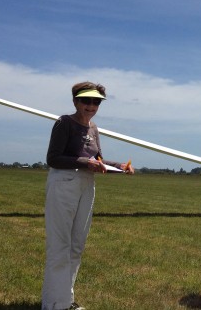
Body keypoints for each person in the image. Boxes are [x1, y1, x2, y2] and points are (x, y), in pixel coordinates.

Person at [41, 81, 134, 310]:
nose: (91, 105)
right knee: (60, 244)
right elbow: (53, 158)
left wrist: (119, 166)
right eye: (86, 100)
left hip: (86, 184)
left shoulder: (94, 128)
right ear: (75, 101)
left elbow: (98, 160)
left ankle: (65, 300)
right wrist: (86, 162)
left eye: (96, 102)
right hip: (64, 182)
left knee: (76, 245)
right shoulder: (64, 123)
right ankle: (53, 304)